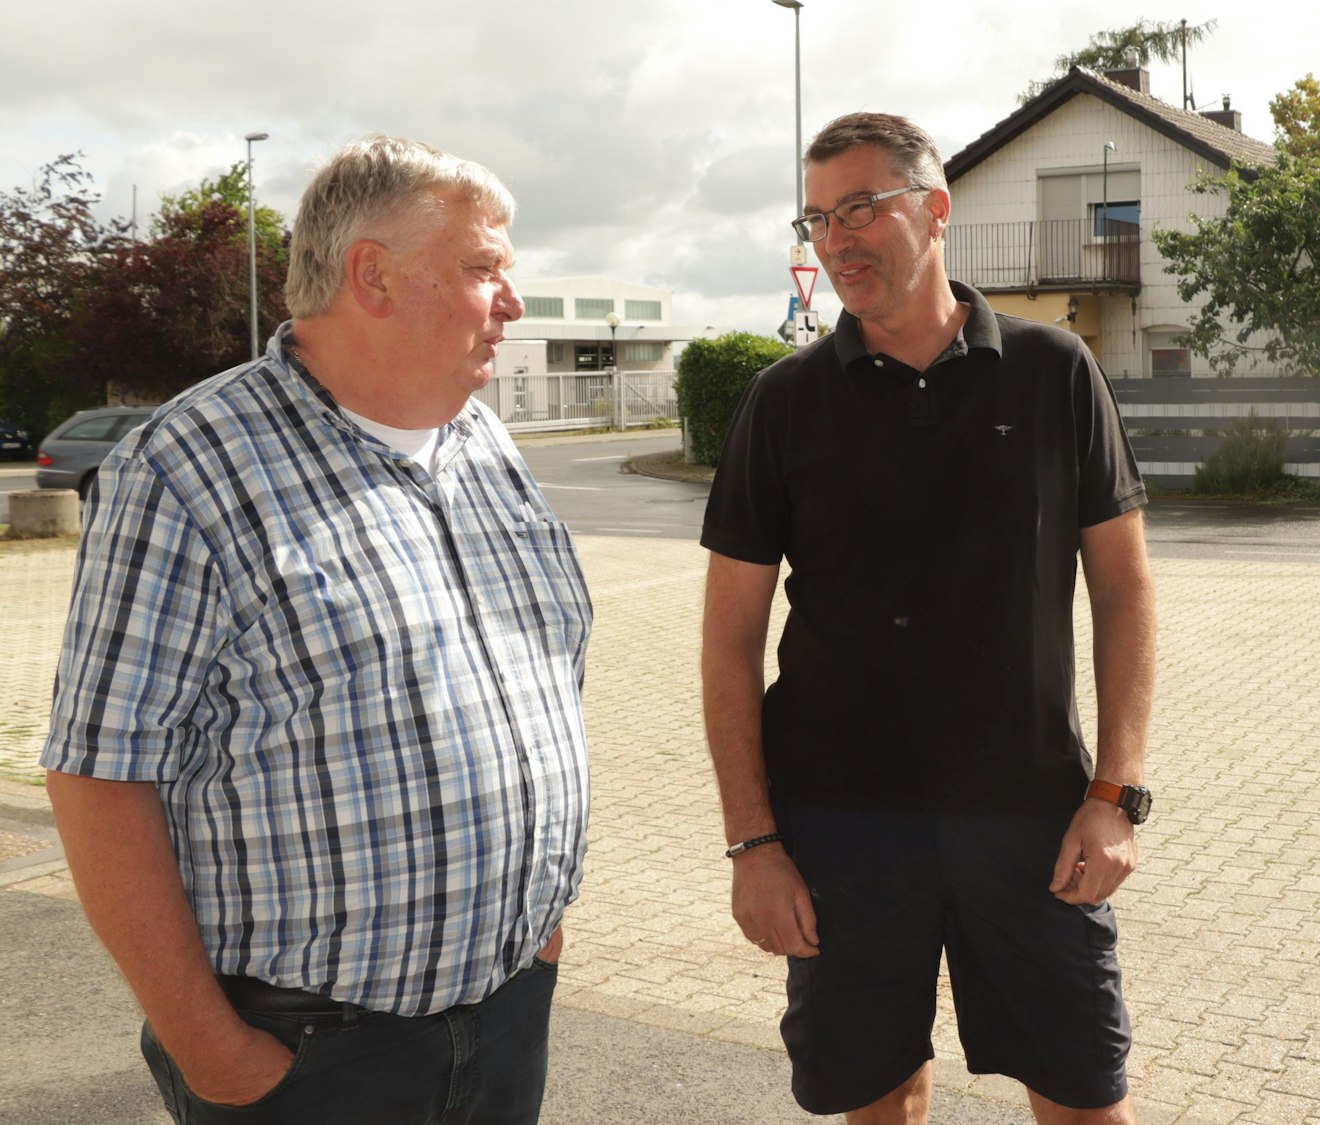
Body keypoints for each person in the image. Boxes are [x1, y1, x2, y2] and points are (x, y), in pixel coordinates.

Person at [42, 135, 592, 1125]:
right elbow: (100, 775)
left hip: (508, 1016)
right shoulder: (185, 470)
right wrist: (217, 1054)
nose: (512, 302)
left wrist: (539, 932)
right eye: (484, 270)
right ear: (371, 275)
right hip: (311, 1059)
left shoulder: (482, 440)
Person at [700, 111, 1156, 1125]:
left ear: (935, 206)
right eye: (818, 218)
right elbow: (728, 638)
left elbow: (1124, 590)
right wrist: (752, 843)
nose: (837, 240)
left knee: (1084, 1096)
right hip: (839, 824)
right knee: (876, 1095)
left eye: (860, 208)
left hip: (1031, 815)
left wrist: (1113, 793)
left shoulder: (1051, 373)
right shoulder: (781, 403)